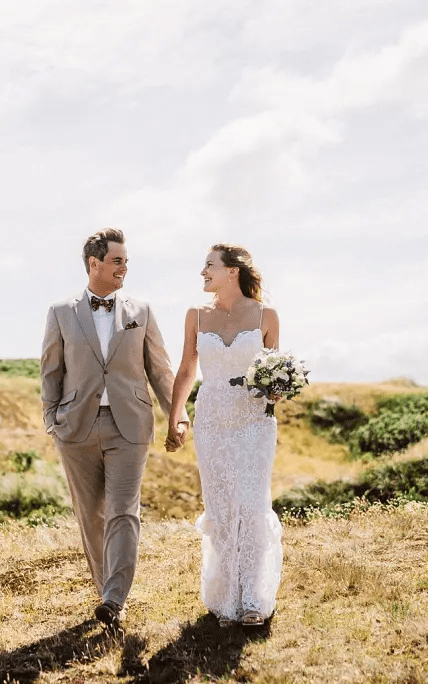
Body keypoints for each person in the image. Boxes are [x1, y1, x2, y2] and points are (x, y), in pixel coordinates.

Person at [41, 228, 188, 632]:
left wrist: (177, 415)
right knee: (91, 515)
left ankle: (113, 599)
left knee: (123, 511)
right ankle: (105, 589)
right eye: (117, 260)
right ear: (94, 264)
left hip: (130, 426)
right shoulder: (60, 312)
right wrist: (51, 419)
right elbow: (51, 370)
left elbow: (159, 368)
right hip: (76, 429)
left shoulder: (141, 310)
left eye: (126, 260)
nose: (125, 267)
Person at [166, 243, 283, 628]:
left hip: (253, 420)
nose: (203, 271)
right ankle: (225, 597)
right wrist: (176, 415)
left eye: (209, 265)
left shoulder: (267, 315)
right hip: (212, 419)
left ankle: (252, 597)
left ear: (232, 271)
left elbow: (272, 371)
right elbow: (186, 369)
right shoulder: (196, 316)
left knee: (250, 505)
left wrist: (277, 388)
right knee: (220, 508)